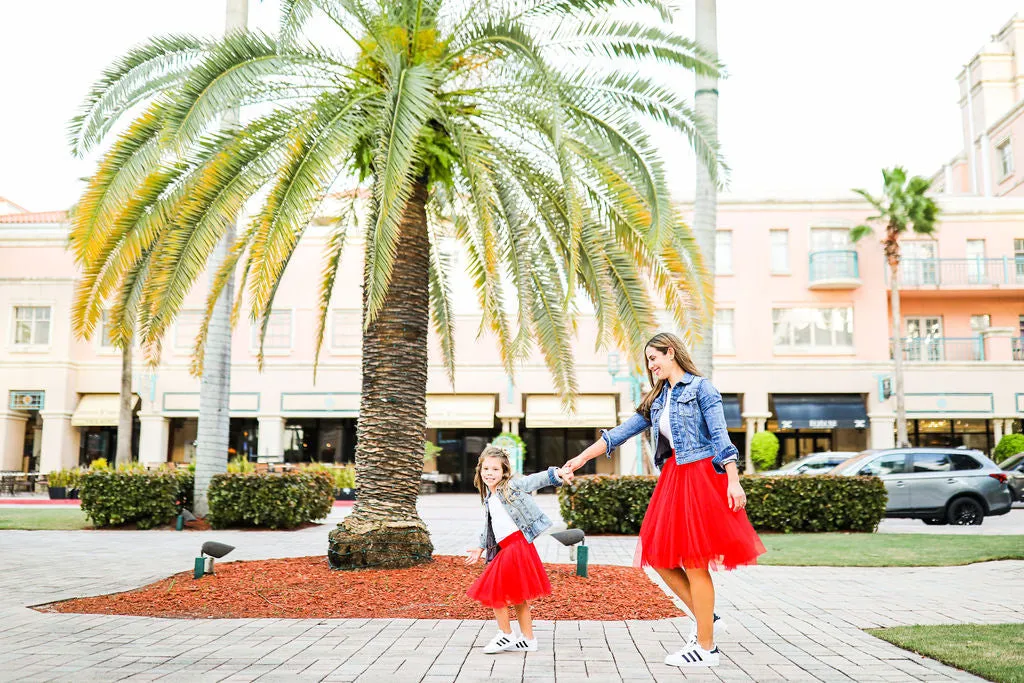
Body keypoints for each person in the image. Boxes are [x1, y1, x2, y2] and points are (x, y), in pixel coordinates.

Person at [564, 332, 765, 668]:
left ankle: (707, 648)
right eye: (648, 361)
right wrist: (581, 459)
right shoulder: (658, 399)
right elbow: (619, 433)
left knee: (695, 562)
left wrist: (733, 480)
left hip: (700, 476)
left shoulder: (702, 389)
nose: (651, 365)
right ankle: (707, 619)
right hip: (673, 478)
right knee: (658, 555)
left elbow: (721, 437)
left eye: (654, 358)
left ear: (670, 352)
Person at [465, 446, 574, 654]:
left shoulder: (511, 487)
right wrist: (480, 547)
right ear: (479, 471)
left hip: (517, 546)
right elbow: (490, 526)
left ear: (504, 471)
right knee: (518, 597)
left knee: (495, 590)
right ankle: (529, 639)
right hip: (510, 548)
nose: (490, 473)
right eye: (486, 469)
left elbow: (534, 480)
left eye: (495, 469)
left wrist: (556, 473)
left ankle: (505, 635)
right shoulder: (490, 497)